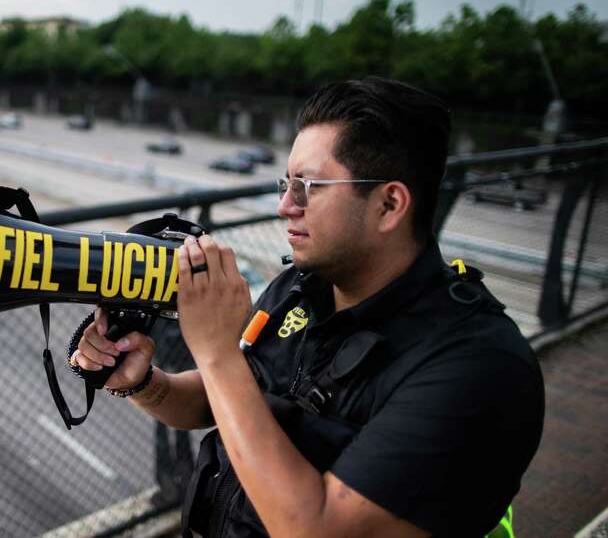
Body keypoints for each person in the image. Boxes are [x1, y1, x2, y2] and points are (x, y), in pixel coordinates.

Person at [70, 76, 545, 537]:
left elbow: (318, 528)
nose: (284, 206)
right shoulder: (302, 285)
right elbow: (228, 399)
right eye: (286, 183)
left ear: (389, 205)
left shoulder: (476, 366)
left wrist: (215, 351)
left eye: (308, 187)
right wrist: (147, 384)